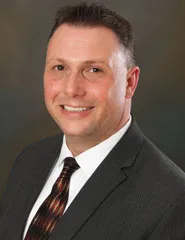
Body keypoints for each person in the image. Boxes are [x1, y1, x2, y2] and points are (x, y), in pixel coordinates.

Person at [1, 2, 185, 240]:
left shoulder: (172, 201)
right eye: (60, 67)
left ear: (130, 83)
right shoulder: (29, 160)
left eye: (94, 70)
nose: (72, 88)